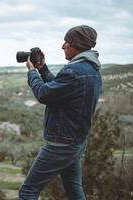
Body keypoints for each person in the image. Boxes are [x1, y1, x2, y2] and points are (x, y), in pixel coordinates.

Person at [18, 25, 102, 200]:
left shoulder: (74, 71)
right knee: (73, 189)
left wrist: (32, 71)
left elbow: (43, 93)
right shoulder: (91, 70)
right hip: (76, 142)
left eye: (67, 42)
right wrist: (43, 69)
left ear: (76, 45)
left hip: (61, 145)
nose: (63, 46)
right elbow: (59, 89)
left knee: (28, 191)